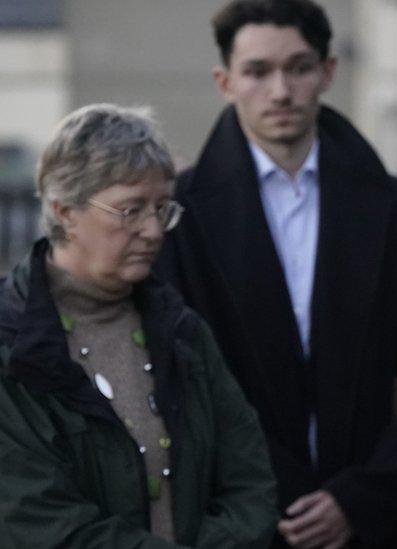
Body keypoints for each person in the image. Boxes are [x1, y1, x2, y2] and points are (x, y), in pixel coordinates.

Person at [154, 1, 397, 547]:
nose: (280, 91)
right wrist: (284, 499)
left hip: (373, 527)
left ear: (327, 72)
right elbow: (182, 390)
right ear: (225, 81)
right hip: (240, 524)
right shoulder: (181, 216)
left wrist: (360, 501)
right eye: (257, 72)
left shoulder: (394, 208)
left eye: (298, 68)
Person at [0, 104, 278, 547]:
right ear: (63, 210)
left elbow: (251, 484)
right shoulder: (11, 344)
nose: (154, 231)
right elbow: (38, 520)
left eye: (163, 208)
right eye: (131, 210)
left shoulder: (181, 331)